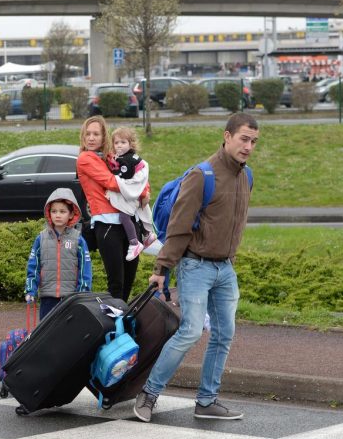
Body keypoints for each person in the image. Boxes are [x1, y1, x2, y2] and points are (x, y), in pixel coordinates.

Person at [133, 113, 259, 423]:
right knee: (189, 331)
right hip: (196, 267)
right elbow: (178, 228)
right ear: (227, 136)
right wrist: (162, 269)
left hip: (225, 270)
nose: (248, 146)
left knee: (224, 333)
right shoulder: (202, 176)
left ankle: (206, 401)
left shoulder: (246, 177)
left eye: (254, 141)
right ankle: (148, 394)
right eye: (244, 139)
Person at [76, 116, 145, 301]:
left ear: (103, 136)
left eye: (96, 134)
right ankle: (114, 327)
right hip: (107, 225)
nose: (91, 138)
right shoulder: (85, 158)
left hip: (129, 222)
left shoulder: (112, 157)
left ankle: (122, 324)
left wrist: (144, 190)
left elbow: (140, 172)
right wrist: (137, 188)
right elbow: (112, 182)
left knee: (128, 283)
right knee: (117, 284)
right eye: (87, 134)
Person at [24, 188, 93, 320]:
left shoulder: (78, 239)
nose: (58, 215)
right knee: (46, 333)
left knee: (67, 333)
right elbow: (33, 267)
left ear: (72, 214)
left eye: (62, 211)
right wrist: (30, 290)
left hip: (70, 298)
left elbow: (85, 269)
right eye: (54, 211)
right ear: (49, 213)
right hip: (47, 298)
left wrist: (82, 293)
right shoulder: (41, 238)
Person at [108, 127, 157, 261]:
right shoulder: (133, 157)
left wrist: (113, 174)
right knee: (139, 212)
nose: (119, 145)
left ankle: (134, 243)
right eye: (116, 143)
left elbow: (125, 175)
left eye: (123, 142)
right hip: (139, 194)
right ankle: (147, 233)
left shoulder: (125, 160)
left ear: (130, 144)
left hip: (132, 193)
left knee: (124, 217)